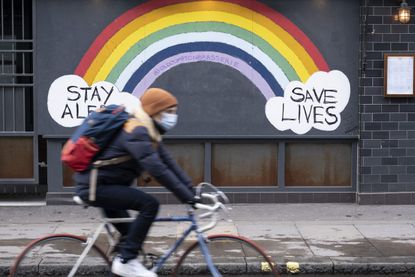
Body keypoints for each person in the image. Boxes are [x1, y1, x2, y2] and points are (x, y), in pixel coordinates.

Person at [74, 88, 196, 277]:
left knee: (130, 237)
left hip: (104, 186)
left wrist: (192, 191)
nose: (173, 117)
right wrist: (188, 198)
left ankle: (124, 262)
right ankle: (126, 262)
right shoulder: (136, 131)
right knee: (149, 204)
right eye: (169, 112)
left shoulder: (150, 132)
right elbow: (158, 170)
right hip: (95, 188)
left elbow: (169, 163)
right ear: (155, 112)